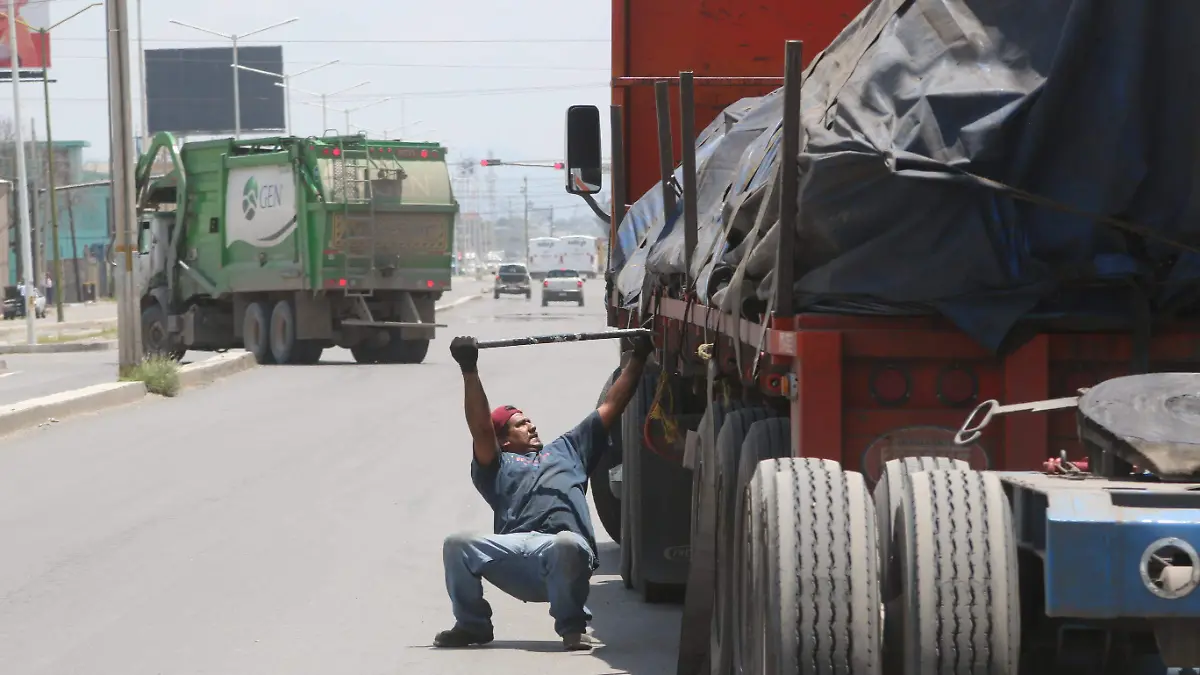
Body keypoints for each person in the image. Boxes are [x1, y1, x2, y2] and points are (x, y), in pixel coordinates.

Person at [437, 332, 652, 651]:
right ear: (504, 440)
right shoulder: (495, 465)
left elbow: (612, 406)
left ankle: (573, 627)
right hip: (515, 553)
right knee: (457, 545)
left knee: (566, 543)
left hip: (563, 552)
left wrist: (638, 358)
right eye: (520, 424)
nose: (532, 426)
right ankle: (472, 625)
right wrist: (469, 368)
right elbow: (481, 428)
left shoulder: (569, 449)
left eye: (530, 421)